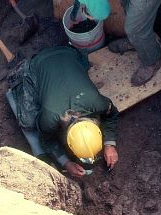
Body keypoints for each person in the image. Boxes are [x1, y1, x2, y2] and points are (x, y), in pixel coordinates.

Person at [8, 46, 119, 178]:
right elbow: (47, 141)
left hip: (70, 51)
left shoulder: (97, 102)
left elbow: (112, 114)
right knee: (28, 122)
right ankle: (13, 91)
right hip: (38, 63)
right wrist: (66, 163)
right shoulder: (50, 118)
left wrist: (109, 144)